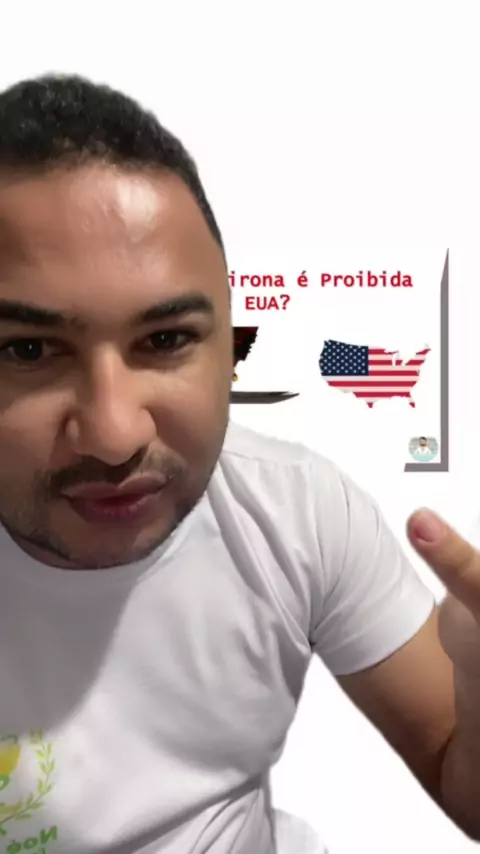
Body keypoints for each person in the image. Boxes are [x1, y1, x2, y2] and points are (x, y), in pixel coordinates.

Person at [0, 75, 479, 854]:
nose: (115, 435)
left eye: (165, 340)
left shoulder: (292, 511)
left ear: (230, 347)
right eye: (27, 351)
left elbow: (457, 767)